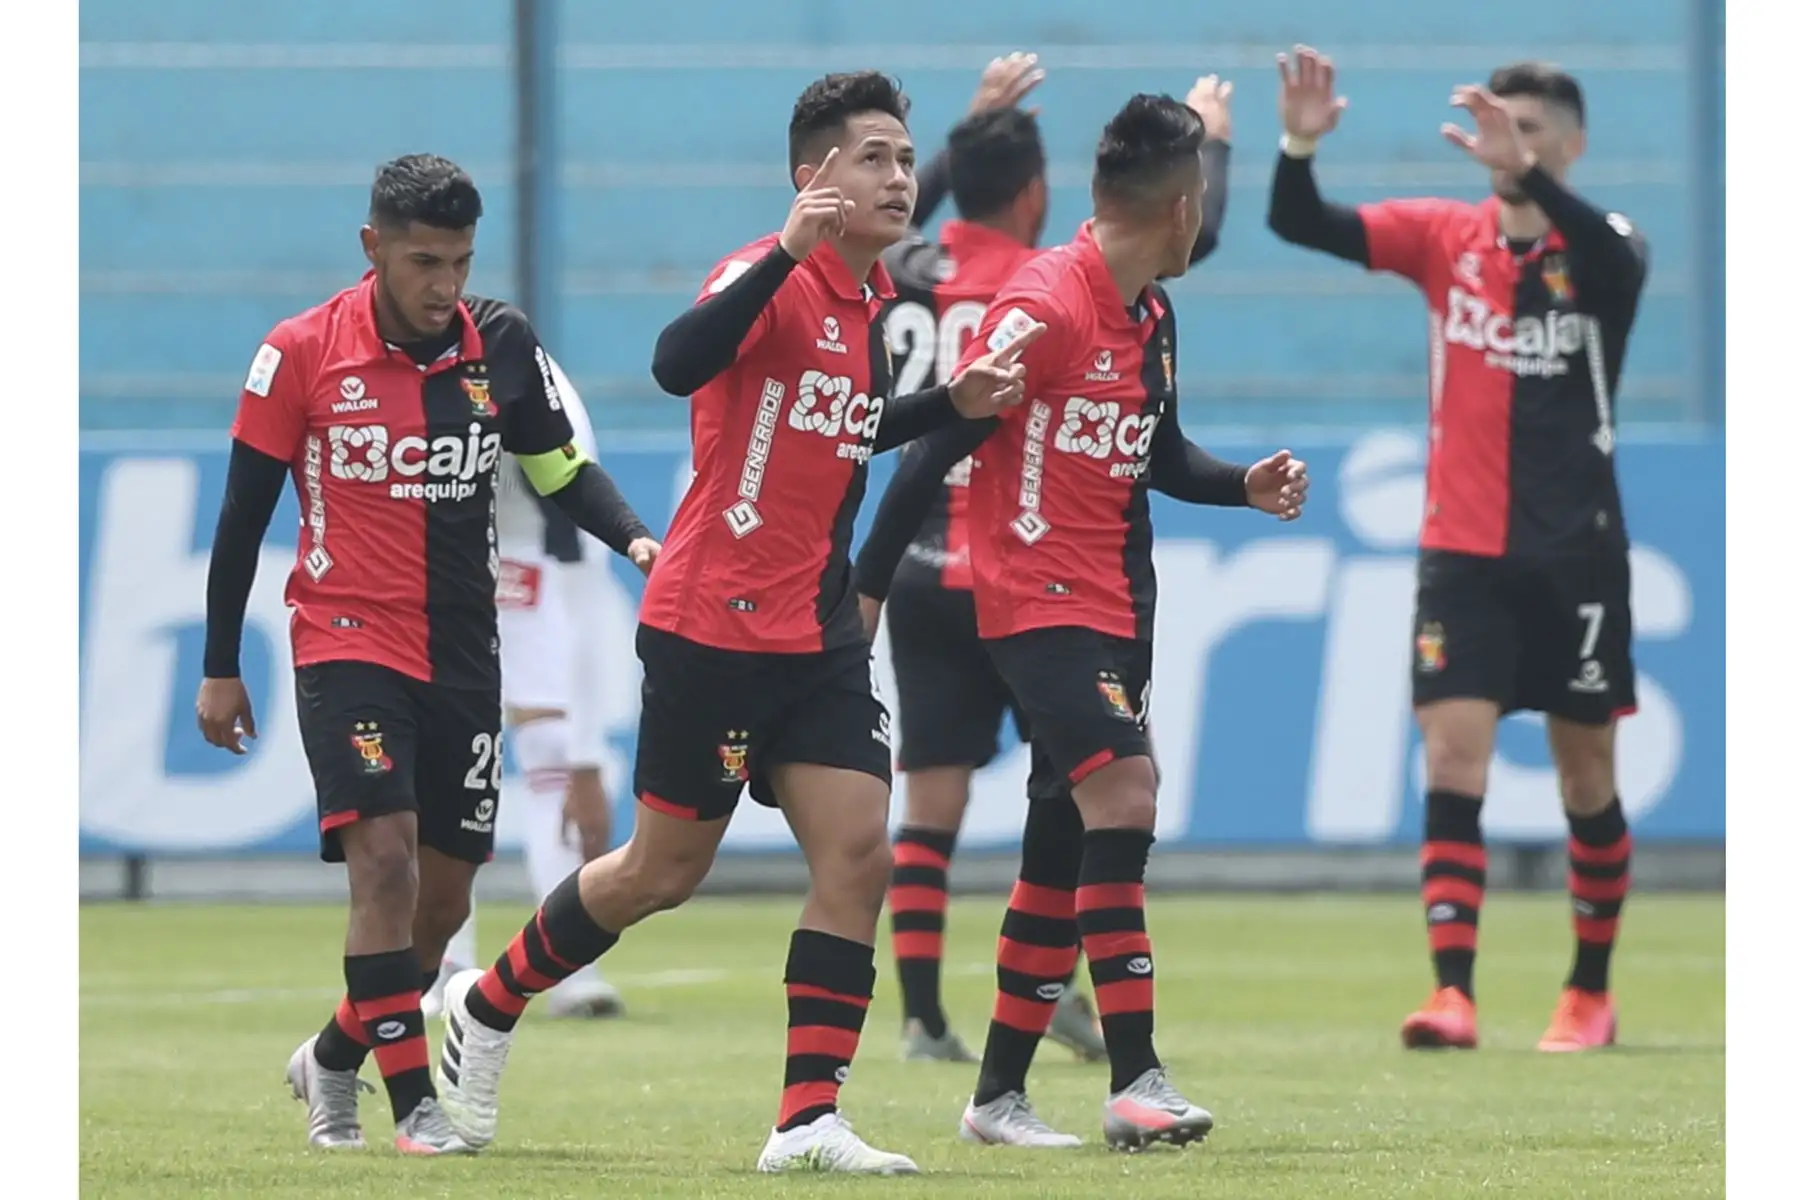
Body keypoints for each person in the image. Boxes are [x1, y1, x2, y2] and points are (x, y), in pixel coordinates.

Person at [430, 72, 1039, 1175]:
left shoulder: (867, 306)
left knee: (858, 849)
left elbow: (845, 428)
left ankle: (808, 1117)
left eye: (905, 160)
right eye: (874, 159)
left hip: (815, 630)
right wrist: (785, 255)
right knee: (660, 873)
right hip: (712, 622)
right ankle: (488, 999)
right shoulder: (763, 275)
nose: (899, 178)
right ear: (814, 178)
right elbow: (677, 363)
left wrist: (953, 404)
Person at [855, 94, 1308, 1150]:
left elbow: (1163, 454)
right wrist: (866, 587)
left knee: (1060, 845)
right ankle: (1137, 1076)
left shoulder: (1150, 312)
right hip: (1030, 598)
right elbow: (938, 444)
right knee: (1127, 792)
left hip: (1116, 601)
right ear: (1185, 209)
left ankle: (995, 1100)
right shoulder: (1044, 301)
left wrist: (1245, 485)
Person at [195, 154, 659, 1156]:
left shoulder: (499, 345)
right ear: (373, 249)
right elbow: (241, 519)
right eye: (423, 262)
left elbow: (556, 467)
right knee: (388, 863)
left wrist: (633, 539)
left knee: (444, 901)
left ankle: (330, 1054)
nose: (444, 284)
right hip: (346, 640)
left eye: (459, 261)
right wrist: (220, 662)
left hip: (464, 651)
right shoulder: (299, 353)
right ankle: (411, 1111)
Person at [1267, 49, 1645, 1054]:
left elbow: (1615, 264)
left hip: (1577, 557)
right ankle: (1452, 994)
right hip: (1461, 552)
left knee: (1585, 775)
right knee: (1452, 756)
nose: (1503, 145)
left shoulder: (1605, 248)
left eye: (1526, 130)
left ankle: (1589, 991)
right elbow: (1300, 223)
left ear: (1569, 145)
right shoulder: (1445, 237)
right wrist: (1300, 143)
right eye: (1497, 127)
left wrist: (1530, 181)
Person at [424, 355, 627, 1022]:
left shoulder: (545, 400)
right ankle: (441, 963)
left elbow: (580, 564)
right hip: (432, 556)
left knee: (551, 755)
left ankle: (571, 965)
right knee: (444, 756)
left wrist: (587, 756)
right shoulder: (398, 379)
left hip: (526, 556)